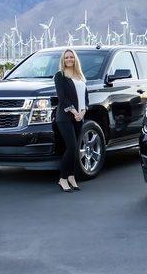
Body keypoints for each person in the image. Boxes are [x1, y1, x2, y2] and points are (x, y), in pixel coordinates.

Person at [54, 49, 89, 192]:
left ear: (75, 59)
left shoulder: (80, 76)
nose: (69, 59)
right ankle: (62, 178)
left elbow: (85, 97)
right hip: (65, 117)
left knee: (75, 149)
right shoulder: (60, 75)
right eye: (66, 57)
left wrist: (83, 111)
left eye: (71, 57)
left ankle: (71, 176)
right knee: (72, 147)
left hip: (79, 117)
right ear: (63, 60)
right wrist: (75, 112)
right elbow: (62, 97)